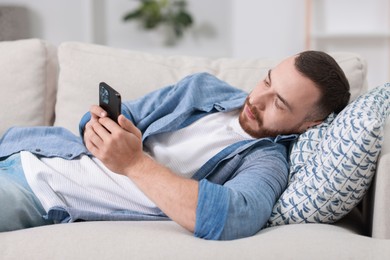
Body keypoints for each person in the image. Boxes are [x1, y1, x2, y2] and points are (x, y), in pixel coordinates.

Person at [0, 50, 350, 240]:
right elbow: (126, 114)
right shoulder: (201, 88)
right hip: (28, 147)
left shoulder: (266, 161)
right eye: (266, 81)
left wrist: (134, 163)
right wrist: (98, 127)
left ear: (311, 124)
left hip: (36, 190)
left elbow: (230, 216)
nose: (258, 99)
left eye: (280, 103)